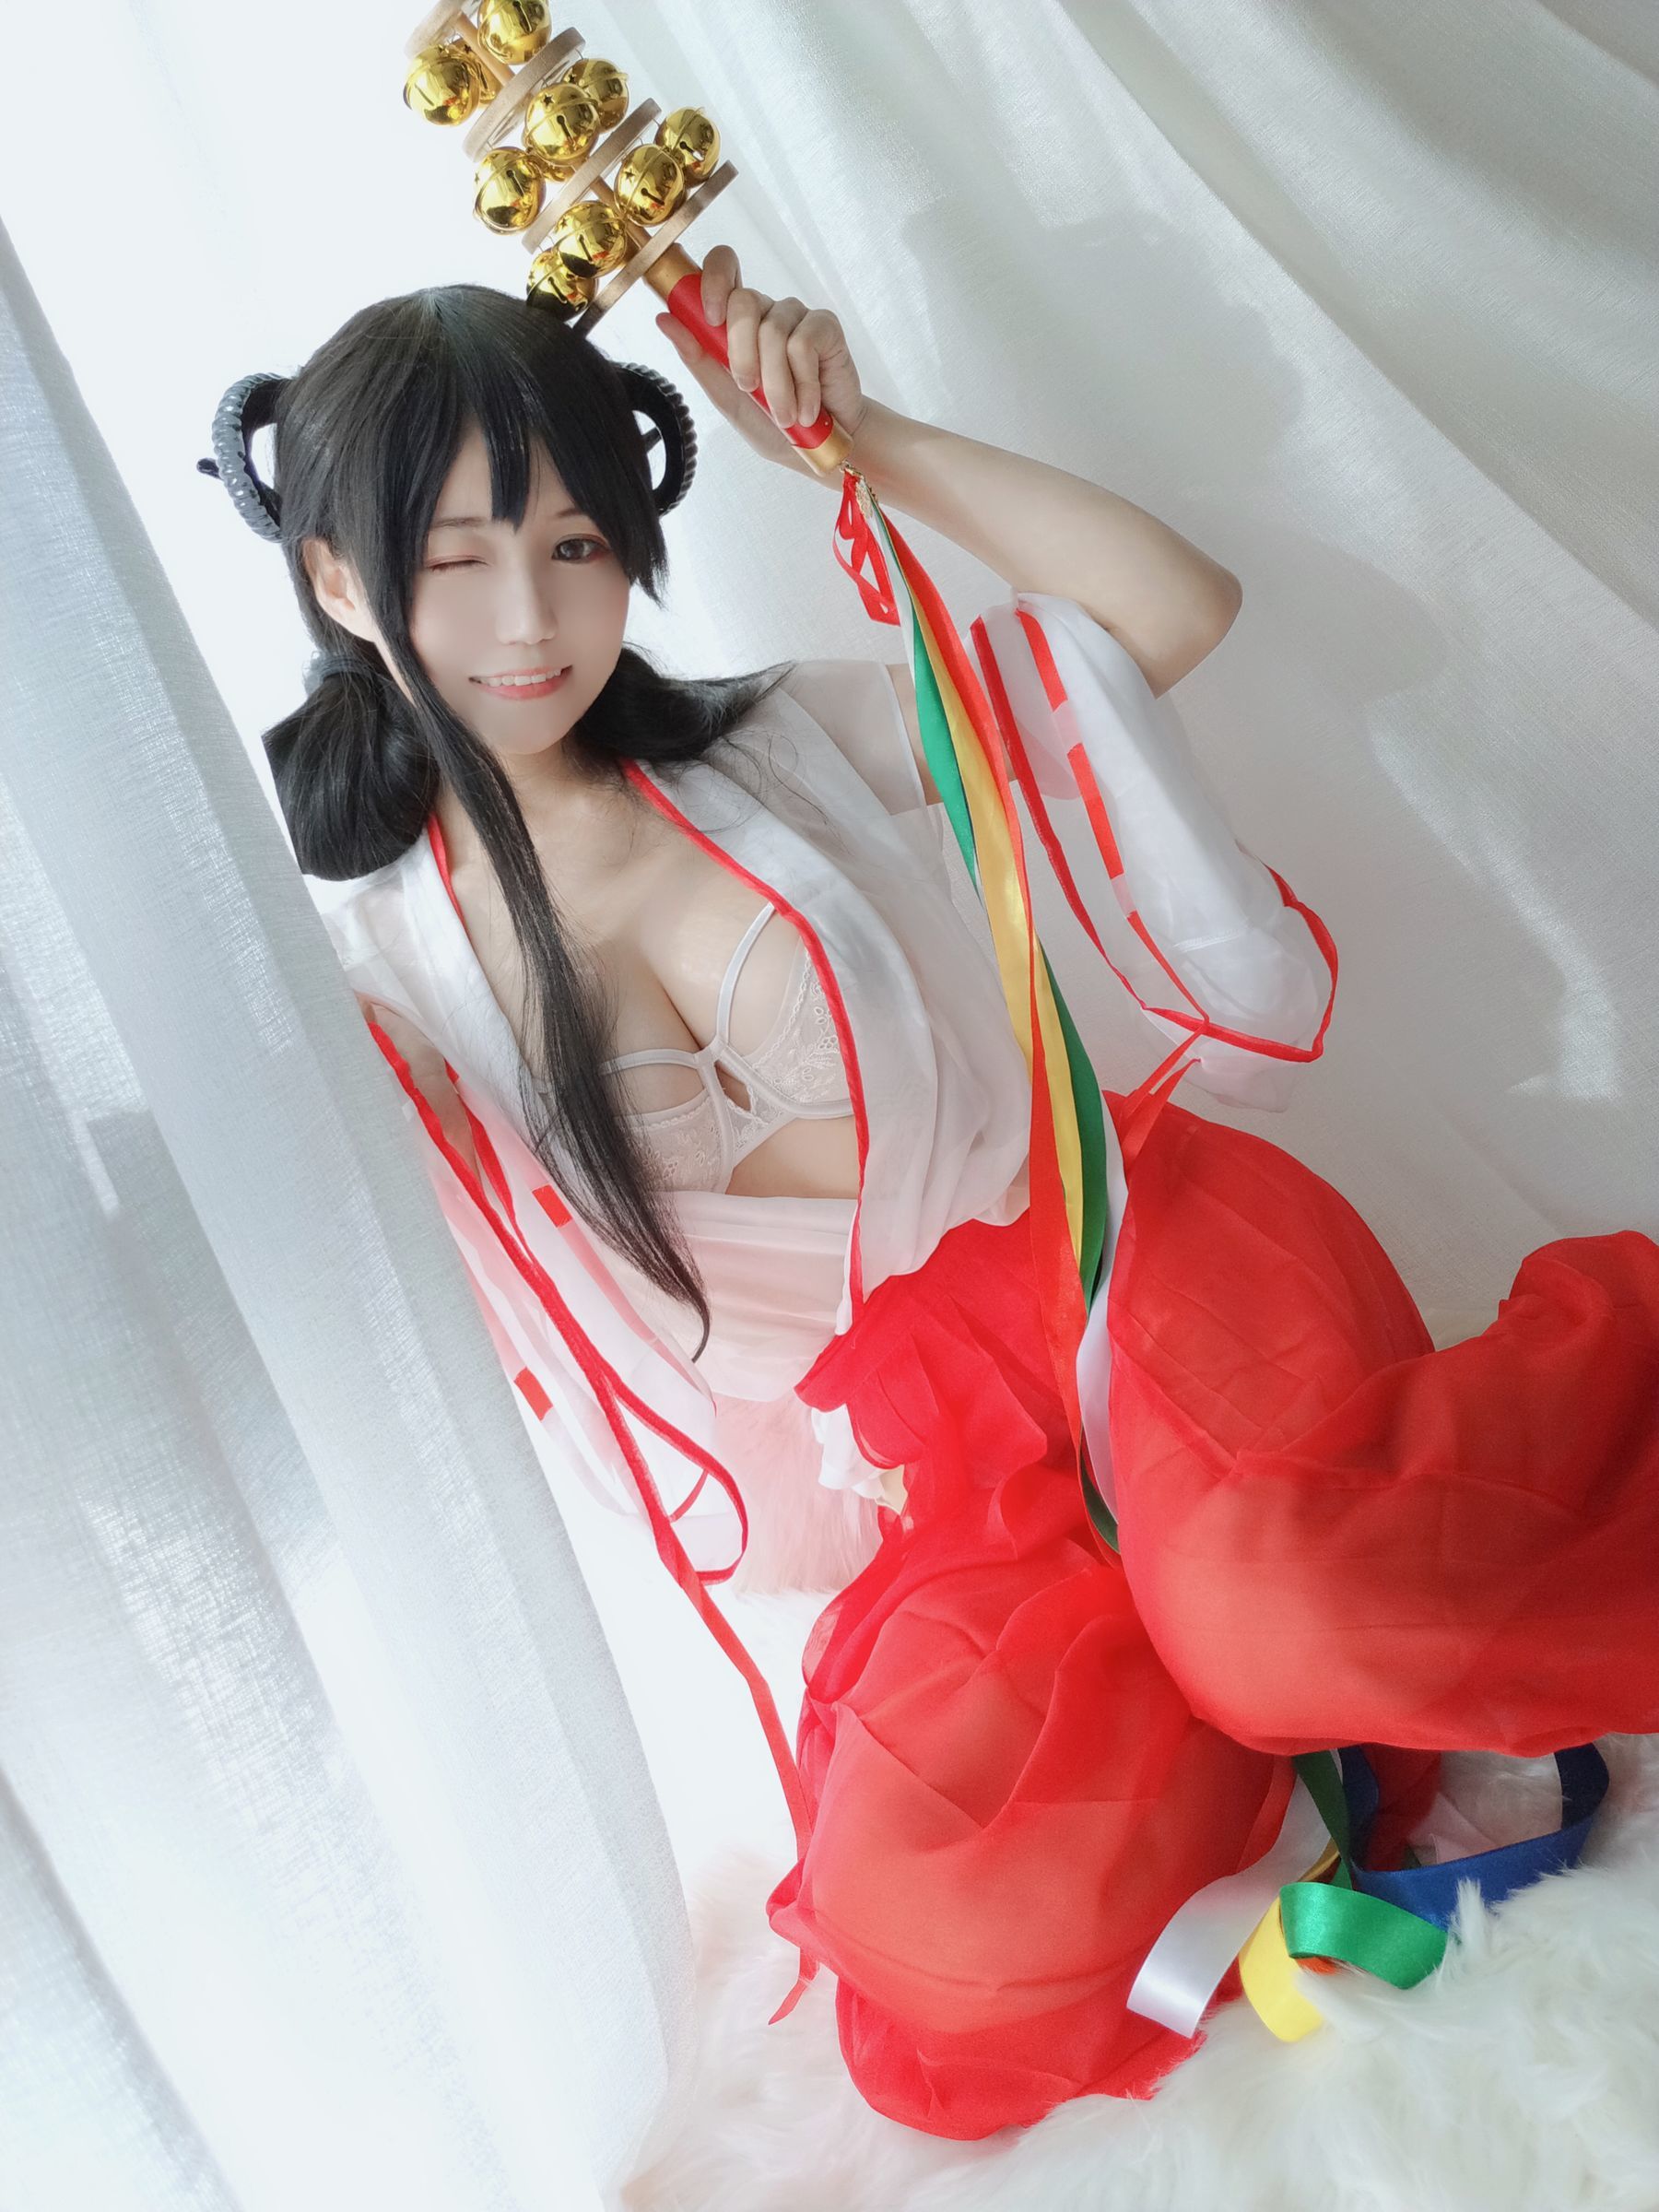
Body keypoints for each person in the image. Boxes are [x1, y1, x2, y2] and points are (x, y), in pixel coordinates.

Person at [213, 253, 1659, 2142]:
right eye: (454, 559)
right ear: (338, 580)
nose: (530, 619)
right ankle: (1245, 1670)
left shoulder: (772, 746)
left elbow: (1168, 607)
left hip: (1134, 1268)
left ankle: (1339, 1576)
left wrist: (861, 442)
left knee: (1286, 1609)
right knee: (942, 1926)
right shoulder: (383, 991)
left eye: (575, 544)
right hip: (944, 1469)